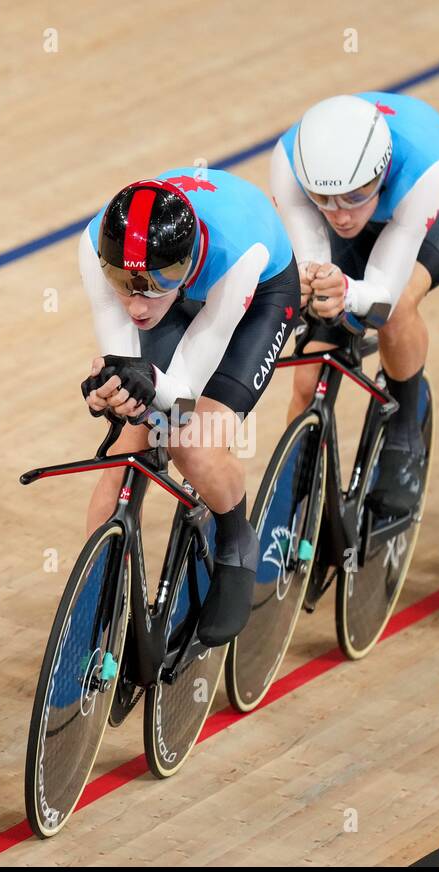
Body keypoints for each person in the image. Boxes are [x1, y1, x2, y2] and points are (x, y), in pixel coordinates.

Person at [79, 172, 298, 646]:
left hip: (254, 299)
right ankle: (92, 613)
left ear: (186, 261)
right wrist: (112, 391)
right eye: (124, 284)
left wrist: (149, 386)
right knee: (125, 451)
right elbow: (124, 366)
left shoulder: (236, 255)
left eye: (155, 283)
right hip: (183, 293)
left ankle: (236, 538)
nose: (136, 305)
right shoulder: (94, 245)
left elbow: (180, 401)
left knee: (190, 444)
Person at [270, 92, 439, 517]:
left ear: (382, 172)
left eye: (356, 195)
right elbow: (314, 261)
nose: (341, 215)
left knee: (398, 306)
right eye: (325, 199)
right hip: (379, 216)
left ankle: (404, 435)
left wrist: (350, 293)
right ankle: (291, 495)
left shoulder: (421, 167)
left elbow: (382, 293)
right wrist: (321, 286)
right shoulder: (289, 162)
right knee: (310, 367)